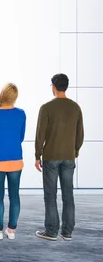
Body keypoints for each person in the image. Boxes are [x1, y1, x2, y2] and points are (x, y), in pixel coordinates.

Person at [35, 73, 84, 241]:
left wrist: (37, 155)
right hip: (69, 157)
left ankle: (51, 231)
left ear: (54, 86)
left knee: (50, 195)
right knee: (68, 194)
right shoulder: (75, 107)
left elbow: (40, 135)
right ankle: (67, 232)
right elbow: (80, 135)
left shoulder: (46, 107)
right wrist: (74, 151)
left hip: (51, 157)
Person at [0, 83, 26, 240]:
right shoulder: (21, 114)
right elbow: (21, 137)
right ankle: (11, 231)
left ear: (2, 95)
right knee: (14, 196)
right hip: (16, 160)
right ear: (14, 97)